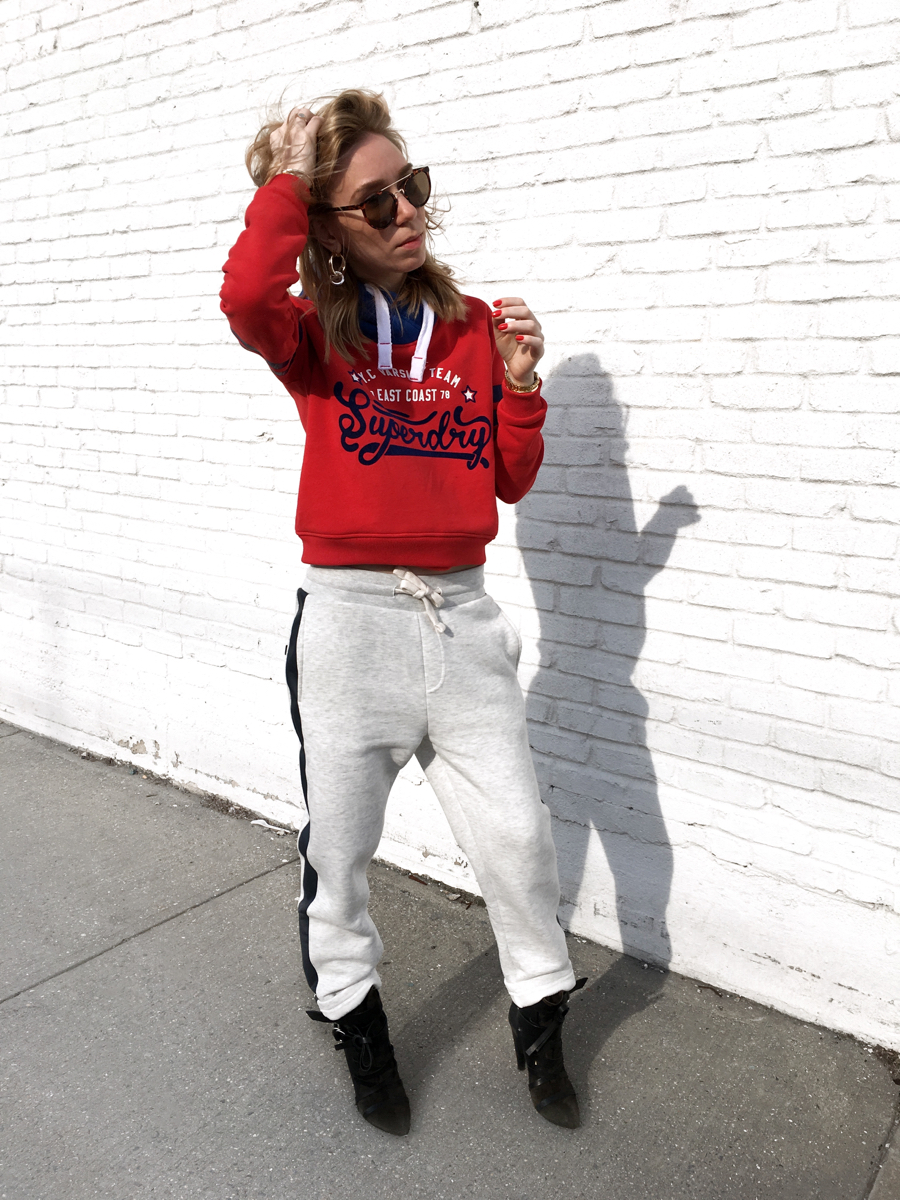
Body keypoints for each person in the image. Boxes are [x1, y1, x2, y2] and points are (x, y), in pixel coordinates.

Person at [220, 89, 584, 1136]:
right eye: (374, 204)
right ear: (327, 233)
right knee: (341, 847)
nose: (407, 213)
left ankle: (539, 1013)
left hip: (462, 624)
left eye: (410, 186)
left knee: (516, 837)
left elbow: (508, 482)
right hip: (347, 627)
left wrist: (520, 388)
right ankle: (354, 1013)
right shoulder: (312, 336)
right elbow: (246, 295)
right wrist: (290, 184)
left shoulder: (471, 330)